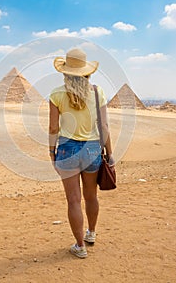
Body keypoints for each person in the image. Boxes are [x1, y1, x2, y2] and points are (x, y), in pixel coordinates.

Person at [49, 48, 115, 259]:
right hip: (93, 148)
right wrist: (110, 153)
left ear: (65, 72)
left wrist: (52, 151)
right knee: (91, 195)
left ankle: (80, 246)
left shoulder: (57, 94)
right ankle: (92, 233)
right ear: (87, 72)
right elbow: (104, 126)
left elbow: (53, 128)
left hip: (68, 148)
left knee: (74, 200)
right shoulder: (98, 92)